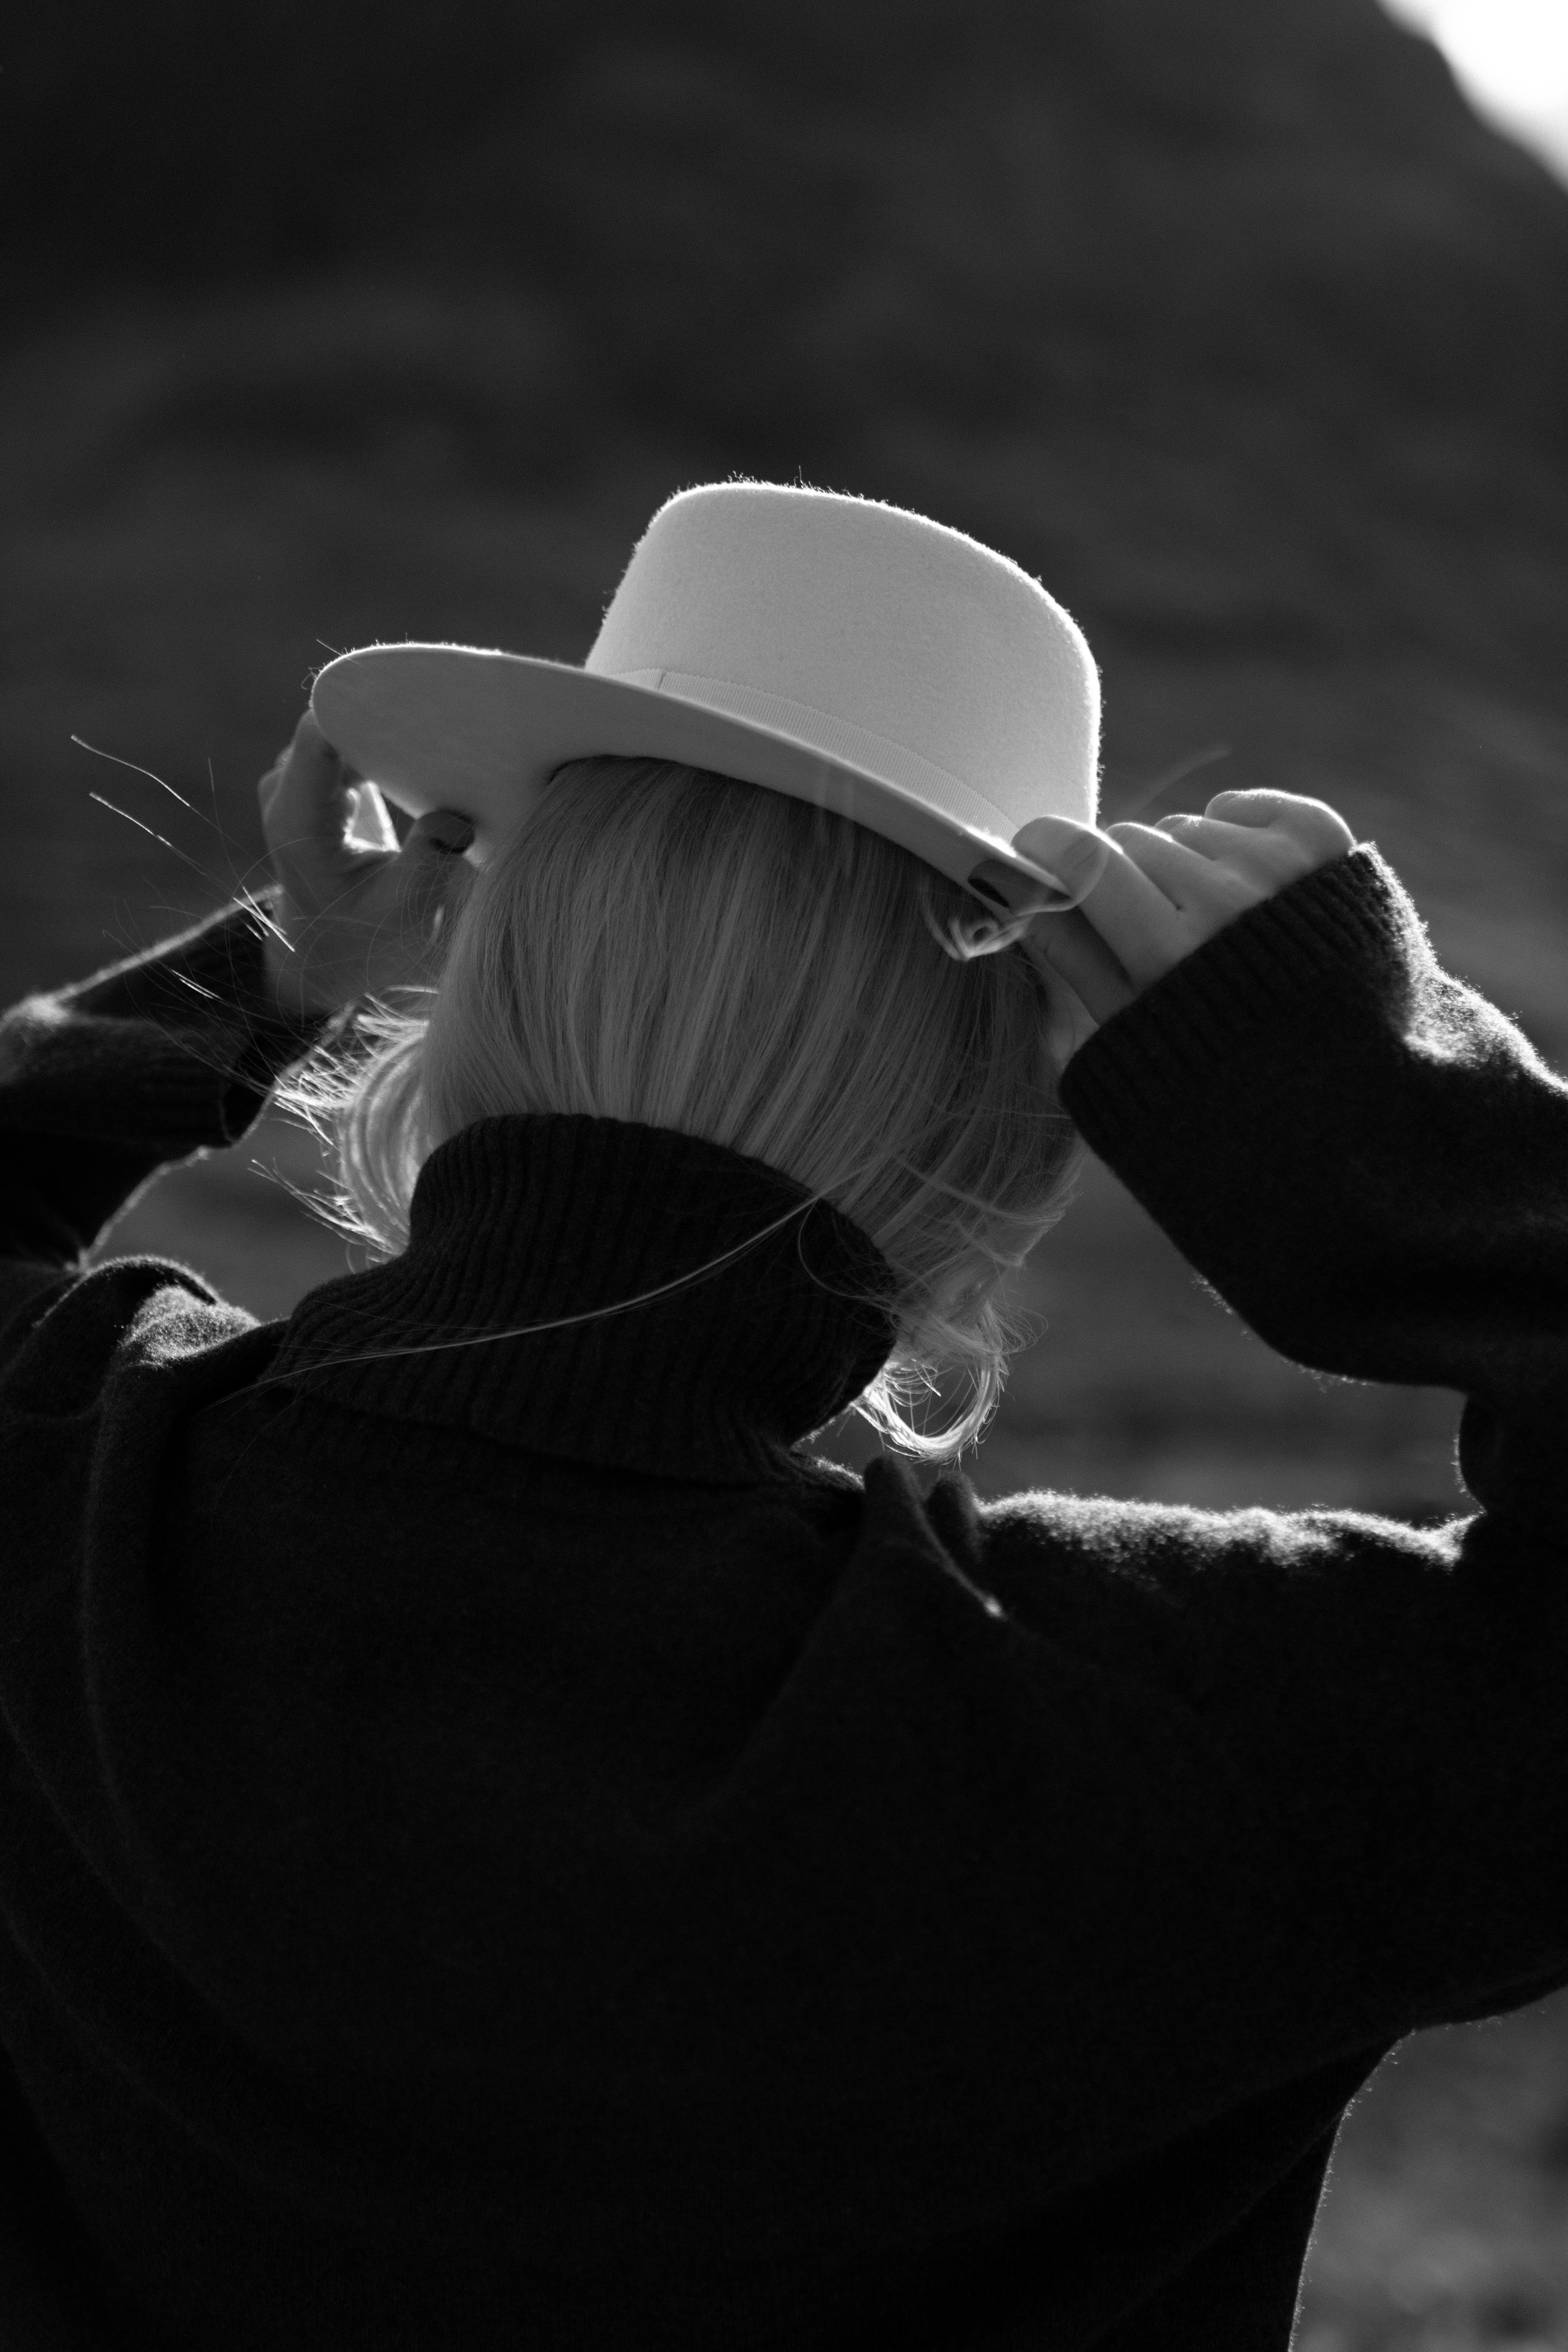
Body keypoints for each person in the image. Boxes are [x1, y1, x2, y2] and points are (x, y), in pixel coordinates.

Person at [0, 480, 1564, 2352]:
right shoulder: (1163, 1729)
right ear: (1002, 1151)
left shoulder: (68, 1479)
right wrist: (1367, 1130)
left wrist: (264, 977)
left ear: (467, 986)